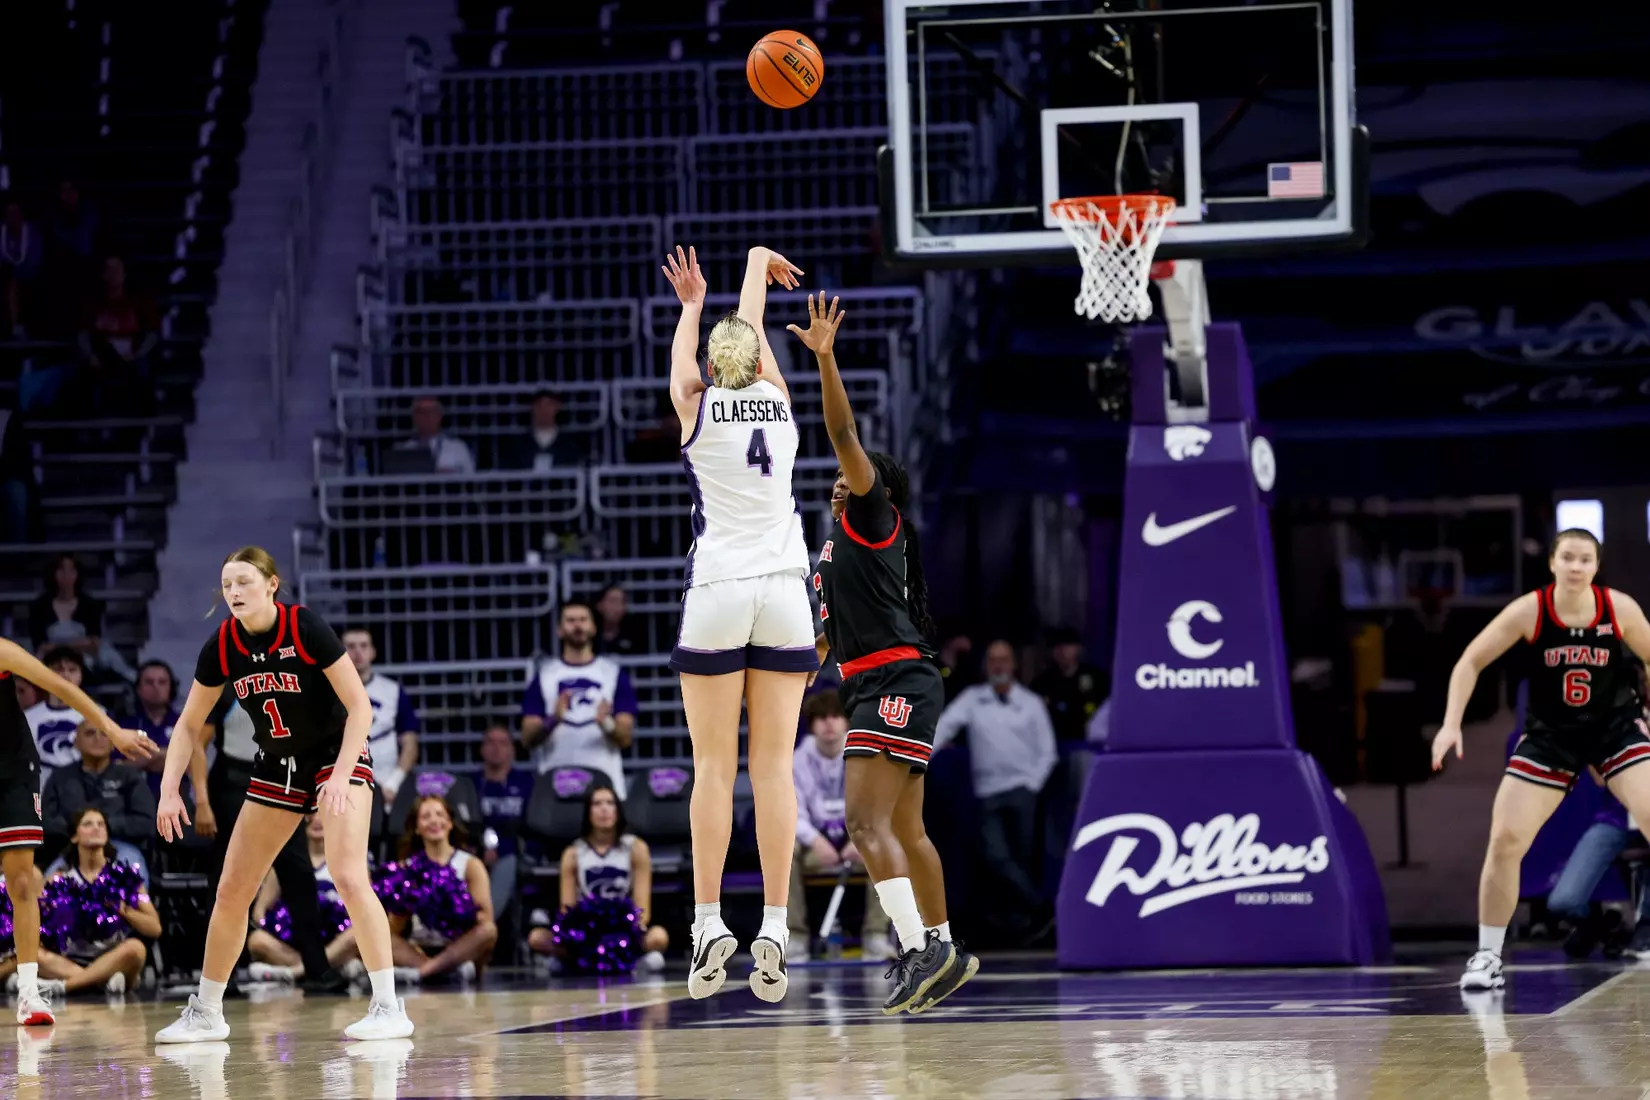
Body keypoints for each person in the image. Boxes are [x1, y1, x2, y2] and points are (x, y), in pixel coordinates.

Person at [789, 292, 975, 1014]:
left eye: (857, 473)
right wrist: (809, 654)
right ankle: (945, 946)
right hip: (887, 676)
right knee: (903, 828)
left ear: (881, 491)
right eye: (841, 477)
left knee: (863, 825)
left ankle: (918, 948)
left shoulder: (873, 516)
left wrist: (826, 359)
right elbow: (837, 625)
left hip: (894, 677)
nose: (843, 476)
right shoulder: (835, 547)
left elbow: (840, 430)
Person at [152, 546, 413, 1043]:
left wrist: (339, 777)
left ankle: (387, 1006)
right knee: (232, 889)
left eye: (244, 582)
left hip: (338, 754)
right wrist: (170, 791)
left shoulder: (305, 627)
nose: (234, 592)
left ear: (272, 584)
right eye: (227, 584)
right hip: (279, 763)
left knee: (347, 872)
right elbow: (188, 725)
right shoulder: (223, 644)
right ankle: (207, 1012)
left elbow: (360, 707)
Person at [660, 244, 816, 1003]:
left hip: (719, 587)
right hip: (785, 588)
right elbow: (752, 330)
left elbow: (696, 358)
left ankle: (707, 922)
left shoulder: (695, 400)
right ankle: (777, 927)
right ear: (758, 363)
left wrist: (692, 302)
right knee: (774, 768)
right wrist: (756, 263)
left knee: (714, 769)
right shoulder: (781, 404)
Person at [1433, 529, 1650, 991]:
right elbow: (1470, 661)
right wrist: (1452, 724)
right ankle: (1488, 956)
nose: (1576, 566)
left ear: (1596, 565)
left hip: (1614, 730)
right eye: (1567, 557)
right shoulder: (1531, 610)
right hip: (1552, 736)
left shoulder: (1620, 608)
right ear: (1552, 563)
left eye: (1585, 559)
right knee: (1506, 839)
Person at [0, 636, 156, 1025]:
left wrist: (112, 730)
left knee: (21, 882)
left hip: (12, 770)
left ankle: (30, 992)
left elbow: (61, 686)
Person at [934, 640, 1060, 943]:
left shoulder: (1030, 702)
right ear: (985, 665)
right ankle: (1043, 908)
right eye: (993, 660)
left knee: (1021, 858)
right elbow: (944, 727)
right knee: (996, 857)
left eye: (1004, 659)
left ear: (1013, 664)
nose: (999, 665)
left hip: (1022, 792)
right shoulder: (973, 699)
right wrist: (916, 755)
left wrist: (1031, 785)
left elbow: (1048, 752)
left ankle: (1026, 927)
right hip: (988, 792)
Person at [0, 807, 159, 996]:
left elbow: (155, 928)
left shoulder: (125, 877)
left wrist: (124, 910)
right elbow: (38, 922)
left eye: (101, 824)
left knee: (136, 949)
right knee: (32, 953)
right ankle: (100, 981)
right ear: (74, 837)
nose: (96, 828)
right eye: (87, 824)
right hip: (67, 961)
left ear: (107, 834)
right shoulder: (58, 879)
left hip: (112, 957)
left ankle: (64, 987)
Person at [787, 690, 893, 962]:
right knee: (783, 852)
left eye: (835, 716)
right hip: (816, 844)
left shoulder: (865, 755)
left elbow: (877, 806)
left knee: (884, 848)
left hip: (856, 841)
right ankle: (795, 938)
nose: (829, 724)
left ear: (847, 722)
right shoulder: (797, 760)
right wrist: (815, 840)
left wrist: (859, 838)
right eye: (821, 718)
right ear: (812, 725)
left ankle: (875, 937)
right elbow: (791, 812)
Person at [527, 784, 668, 972]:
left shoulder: (636, 848)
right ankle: (626, 963)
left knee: (658, 937)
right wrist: (586, 933)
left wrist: (622, 932)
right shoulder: (573, 853)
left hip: (624, 930)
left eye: (610, 803)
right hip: (587, 932)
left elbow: (643, 911)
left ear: (618, 810)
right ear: (587, 812)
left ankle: (576, 964)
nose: (604, 809)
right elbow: (566, 909)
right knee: (537, 938)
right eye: (597, 804)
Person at [520, 601, 638, 797]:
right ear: (559, 629)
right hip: (555, 784)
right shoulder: (544, 676)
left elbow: (625, 738)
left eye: (583, 620)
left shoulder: (613, 674)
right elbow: (527, 739)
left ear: (593, 627)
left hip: (604, 785)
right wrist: (553, 720)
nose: (577, 626)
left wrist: (606, 724)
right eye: (570, 620)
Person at [383, 795, 497, 983]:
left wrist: (450, 908)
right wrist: (406, 904)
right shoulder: (408, 867)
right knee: (370, 936)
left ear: (450, 823)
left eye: (440, 815)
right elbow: (393, 928)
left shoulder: (470, 864)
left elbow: (486, 919)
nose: (434, 820)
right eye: (426, 816)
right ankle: (438, 971)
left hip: (460, 947)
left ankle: (424, 973)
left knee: (488, 931)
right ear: (417, 828)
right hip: (419, 948)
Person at [245, 814, 360, 981]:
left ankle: (294, 973)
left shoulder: (349, 860)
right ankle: (328, 971)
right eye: (311, 814)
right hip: (294, 942)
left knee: (357, 935)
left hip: (335, 940)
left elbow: (363, 910)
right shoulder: (287, 859)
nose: (318, 820)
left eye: (323, 813)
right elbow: (259, 912)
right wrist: (279, 925)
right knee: (257, 940)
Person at [42, 720, 156, 857]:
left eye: (104, 734)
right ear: (76, 742)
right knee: (52, 877)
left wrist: (105, 826)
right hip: (70, 849)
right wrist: (77, 831)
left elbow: (145, 822)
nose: (97, 739)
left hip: (121, 847)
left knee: (132, 872)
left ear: (114, 743)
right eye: (89, 733)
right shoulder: (60, 777)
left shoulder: (129, 776)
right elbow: (47, 822)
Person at [341, 627, 420, 807]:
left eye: (363, 646)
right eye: (351, 646)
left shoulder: (393, 691)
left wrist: (394, 782)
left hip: (387, 785)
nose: (357, 652)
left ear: (373, 652)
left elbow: (410, 742)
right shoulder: (327, 691)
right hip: (343, 785)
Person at [476, 723, 534, 939]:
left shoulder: (527, 783)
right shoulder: (473, 784)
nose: (496, 748)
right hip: (479, 850)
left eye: (503, 743)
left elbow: (532, 825)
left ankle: (484, 925)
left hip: (515, 850)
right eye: (490, 742)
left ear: (512, 749)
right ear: (482, 749)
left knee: (508, 859)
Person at [22, 647, 88, 786]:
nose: (65, 675)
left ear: (81, 675)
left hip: (82, 791)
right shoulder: (27, 718)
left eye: (72, 670)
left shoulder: (99, 716)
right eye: (58, 669)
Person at [500, 389, 585, 471]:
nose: (544, 410)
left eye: (549, 405)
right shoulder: (517, 445)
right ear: (533, 408)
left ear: (557, 407)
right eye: (539, 405)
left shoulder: (570, 444)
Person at [395, 396, 475, 474]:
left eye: (432, 412)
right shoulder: (402, 450)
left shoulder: (457, 448)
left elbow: (469, 478)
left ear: (439, 416)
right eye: (421, 412)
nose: (427, 417)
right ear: (414, 417)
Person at [593, 584, 644, 657]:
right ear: (600, 605)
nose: (617, 607)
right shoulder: (590, 635)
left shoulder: (635, 634)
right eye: (612, 601)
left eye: (622, 602)